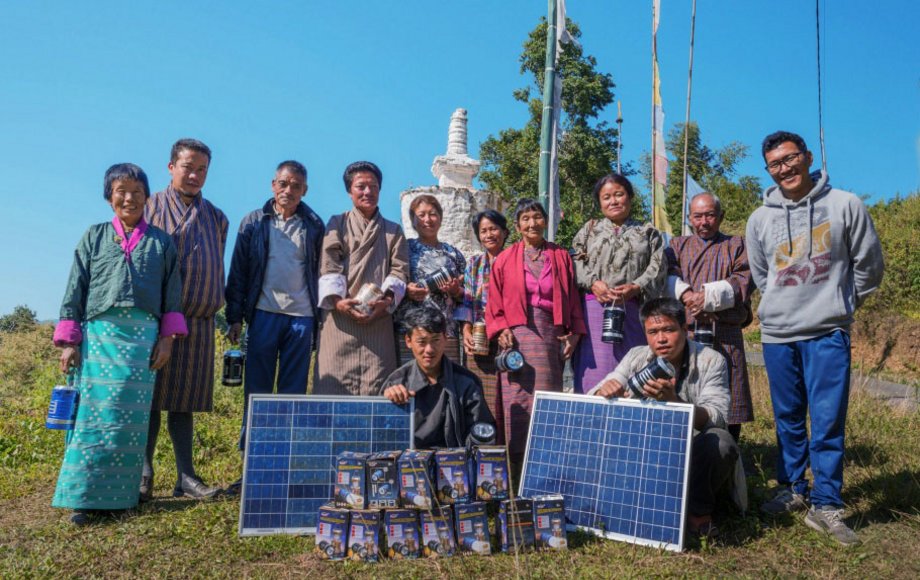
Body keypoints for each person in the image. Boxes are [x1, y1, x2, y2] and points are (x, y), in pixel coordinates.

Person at [747, 131, 883, 546]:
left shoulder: (845, 205)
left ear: (807, 157)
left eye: (790, 159)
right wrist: (780, 306)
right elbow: (760, 275)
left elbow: (869, 265)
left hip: (826, 331)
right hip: (777, 335)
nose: (784, 168)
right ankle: (792, 489)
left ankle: (827, 504)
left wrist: (840, 304)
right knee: (787, 418)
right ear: (768, 170)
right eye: (775, 164)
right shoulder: (759, 218)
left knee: (826, 422)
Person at [52, 163, 188, 525]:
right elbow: (75, 289)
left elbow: (171, 295)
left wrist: (167, 340)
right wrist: (70, 341)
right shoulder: (93, 236)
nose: (129, 198)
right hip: (98, 339)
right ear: (109, 196)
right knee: (93, 418)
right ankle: (84, 499)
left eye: (137, 192)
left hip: (142, 343)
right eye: (121, 191)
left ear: (147, 197)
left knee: (130, 421)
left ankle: (121, 498)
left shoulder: (161, 242)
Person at [589, 298, 737, 537]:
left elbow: (717, 417)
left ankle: (697, 513)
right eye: (653, 332)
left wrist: (674, 404)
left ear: (684, 329)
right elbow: (599, 389)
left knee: (720, 442)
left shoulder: (711, 360)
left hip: (690, 451)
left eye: (668, 329)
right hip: (646, 450)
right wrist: (603, 391)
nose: (661, 339)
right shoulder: (636, 356)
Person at [142, 138, 228, 500]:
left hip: (199, 320)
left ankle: (186, 476)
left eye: (202, 170)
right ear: (171, 167)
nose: (194, 175)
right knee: (149, 397)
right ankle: (143, 473)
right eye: (188, 167)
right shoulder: (148, 207)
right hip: (155, 318)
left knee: (184, 400)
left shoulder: (218, 217)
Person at [225, 160, 324, 453]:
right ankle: (253, 461)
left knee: (292, 392)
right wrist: (234, 317)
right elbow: (238, 272)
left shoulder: (315, 226)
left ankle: (285, 459)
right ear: (273, 185)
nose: (288, 190)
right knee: (257, 391)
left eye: (295, 186)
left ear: (304, 190)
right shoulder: (254, 222)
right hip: (263, 313)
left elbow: (322, 271)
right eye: (283, 184)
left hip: (302, 318)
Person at [486, 198, 585, 465]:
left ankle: (547, 464)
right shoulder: (505, 259)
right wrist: (501, 328)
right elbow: (494, 301)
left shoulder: (561, 256)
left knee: (546, 397)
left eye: (537, 217)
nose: (533, 223)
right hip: (517, 337)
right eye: (526, 219)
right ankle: (515, 466)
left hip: (550, 335)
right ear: (517, 226)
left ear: (546, 221)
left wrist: (574, 333)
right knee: (517, 397)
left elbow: (573, 298)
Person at [314, 161, 410, 395]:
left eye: (373, 186)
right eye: (361, 186)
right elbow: (329, 264)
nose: (368, 192)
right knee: (332, 387)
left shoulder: (393, 231)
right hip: (339, 319)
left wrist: (385, 302)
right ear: (350, 191)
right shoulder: (337, 223)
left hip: (378, 319)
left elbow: (399, 269)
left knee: (378, 388)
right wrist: (338, 302)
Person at [666, 192, 754, 442]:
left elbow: (743, 279)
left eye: (710, 215)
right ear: (690, 218)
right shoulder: (676, 245)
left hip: (725, 335)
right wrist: (687, 295)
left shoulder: (738, 244)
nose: (704, 222)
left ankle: (728, 457)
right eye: (698, 216)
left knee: (729, 398)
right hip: (687, 336)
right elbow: (669, 275)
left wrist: (709, 297)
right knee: (684, 394)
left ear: (721, 216)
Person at [571, 173, 667, 394]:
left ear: (630, 197)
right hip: (593, 314)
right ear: (600, 202)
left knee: (630, 372)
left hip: (632, 312)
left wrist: (636, 287)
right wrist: (593, 283)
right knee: (592, 373)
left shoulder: (648, 233)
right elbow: (575, 260)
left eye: (619, 195)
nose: (613, 201)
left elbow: (658, 266)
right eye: (606, 197)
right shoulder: (589, 230)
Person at [382, 305, 496, 449]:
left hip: (454, 463)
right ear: (408, 341)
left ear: (445, 339)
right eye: (422, 342)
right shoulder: (396, 382)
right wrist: (386, 405)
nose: (429, 350)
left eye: (435, 340)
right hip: (410, 463)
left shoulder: (467, 382)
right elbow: (381, 437)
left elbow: (481, 432)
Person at [454, 209, 510, 444]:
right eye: (483, 231)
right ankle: (484, 452)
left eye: (493, 229)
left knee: (508, 398)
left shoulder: (513, 260)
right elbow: (467, 300)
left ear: (505, 232)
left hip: (507, 338)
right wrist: (466, 330)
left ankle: (511, 456)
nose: (489, 235)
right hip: (479, 339)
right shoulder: (475, 263)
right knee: (481, 398)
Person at [394, 194, 466, 365]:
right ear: (413, 220)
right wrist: (407, 290)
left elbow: (467, 297)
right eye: (421, 215)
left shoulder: (454, 254)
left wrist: (456, 291)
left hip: (445, 333)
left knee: (447, 385)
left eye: (433, 214)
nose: (428, 219)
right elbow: (390, 280)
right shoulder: (404, 249)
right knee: (411, 385)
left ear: (441, 218)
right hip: (412, 332)